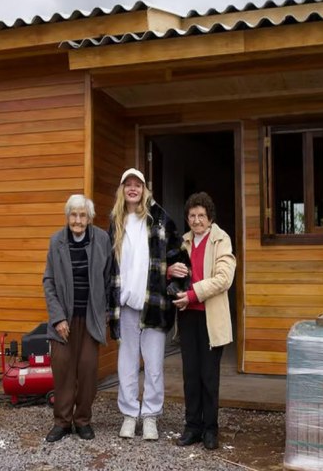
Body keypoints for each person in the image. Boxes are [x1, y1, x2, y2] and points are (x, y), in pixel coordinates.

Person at [109, 168, 189, 441]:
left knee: (154, 363)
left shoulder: (161, 219)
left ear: (144, 189)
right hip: (126, 303)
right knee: (127, 362)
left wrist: (171, 280)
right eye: (128, 185)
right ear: (123, 190)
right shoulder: (116, 221)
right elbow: (110, 268)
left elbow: (180, 258)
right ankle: (130, 414)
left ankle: (151, 415)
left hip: (154, 302)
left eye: (138, 185)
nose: (133, 189)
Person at [42, 194, 112, 442]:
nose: (78, 220)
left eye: (83, 215)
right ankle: (62, 422)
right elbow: (49, 282)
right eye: (74, 214)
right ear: (67, 216)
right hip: (65, 320)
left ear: (89, 217)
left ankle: (82, 420)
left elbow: (108, 279)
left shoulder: (102, 240)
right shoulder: (56, 241)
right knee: (62, 370)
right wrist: (58, 318)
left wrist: (104, 312)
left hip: (90, 318)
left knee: (88, 369)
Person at [172, 192, 236, 450]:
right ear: (187, 218)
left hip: (211, 319)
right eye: (192, 215)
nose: (197, 220)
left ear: (210, 218)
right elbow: (175, 272)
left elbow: (224, 279)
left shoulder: (222, 240)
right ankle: (192, 427)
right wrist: (170, 272)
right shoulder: (184, 242)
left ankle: (210, 429)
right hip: (188, 317)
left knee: (209, 377)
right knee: (190, 375)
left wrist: (192, 294)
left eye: (201, 215)